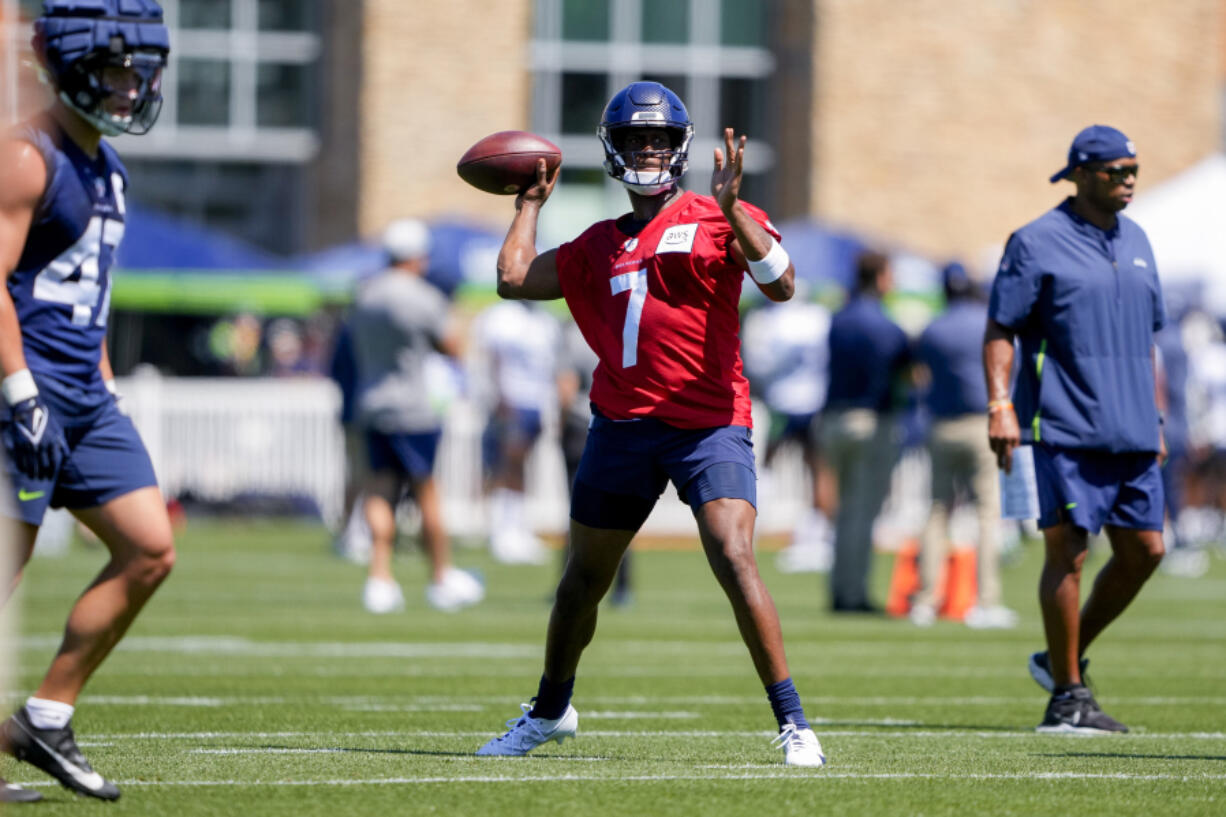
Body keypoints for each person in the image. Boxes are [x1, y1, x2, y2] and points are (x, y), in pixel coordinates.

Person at [474, 81, 824, 766]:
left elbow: (782, 283)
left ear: (680, 148)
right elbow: (513, 279)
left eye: (659, 140)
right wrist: (528, 207)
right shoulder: (594, 244)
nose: (648, 151)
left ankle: (794, 721)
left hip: (707, 423)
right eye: (636, 140)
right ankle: (549, 709)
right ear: (613, 149)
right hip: (623, 424)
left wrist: (733, 210)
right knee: (581, 580)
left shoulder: (719, 213)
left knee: (734, 552)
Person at [0, 0, 176, 801]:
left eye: (139, 72)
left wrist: (98, 381)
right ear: (70, 68)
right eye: (114, 71)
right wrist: (19, 390)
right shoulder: (27, 155)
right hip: (21, 389)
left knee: (149, 547)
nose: (130, 88)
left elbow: (87, 293)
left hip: (83, 395)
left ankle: (45, 712)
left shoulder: (108, 164)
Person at [985, 125, 1166, 734]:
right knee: (1071, 553)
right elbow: (1000, 330)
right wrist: (999, 404)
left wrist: (1158, 417)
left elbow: (1149, 342)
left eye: (1134, 169)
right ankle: (1067, 696)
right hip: (1063, 423)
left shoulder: (1139, 238)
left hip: (1135, 428)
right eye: (1117, 171)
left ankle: (1057, 654)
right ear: (1082, 175)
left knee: (1147, 551)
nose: (1130, 180)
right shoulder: (1035, 242)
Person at [348, 218, 484, 614]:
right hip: (413, 406)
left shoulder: (365, 293)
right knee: (427, 492)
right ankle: (440, 577)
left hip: (372, 402)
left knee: (380, 490)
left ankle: (379, 578)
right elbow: (452, 345)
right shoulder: (421, 296)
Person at [910, 262, 1016, 629]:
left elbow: (919, 373)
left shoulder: (932, 328)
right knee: (987, 513)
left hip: (941, 425)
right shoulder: (985, 323)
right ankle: (986, 602)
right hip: (981, 423)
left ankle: (926, 599)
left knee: (938, 510)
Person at [820, 250, 911, 613]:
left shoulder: (838, 319)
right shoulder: (888, 325)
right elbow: (906, 373)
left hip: (833, 419)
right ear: (880, 277)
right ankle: (853, 594)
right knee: (861, 513)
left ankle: (839, 588)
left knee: (842, 513)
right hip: (870, 420)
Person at [740, 287, 836, 573]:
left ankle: (750, 533)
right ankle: (815, 538)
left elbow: (759, 365)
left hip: (782, 400)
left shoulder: (772, 321)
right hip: (814, 400)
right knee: (819, 470)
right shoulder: (819, 318)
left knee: (767, 467)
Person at [469, 299, 562, 565]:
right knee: (504, 466)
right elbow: (491, 359)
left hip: (536, 402)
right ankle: (502, 530)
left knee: (521, 467)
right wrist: (499, 396)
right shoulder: (501, 316)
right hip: (510, 401)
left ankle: (518, 527)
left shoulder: (545, 319)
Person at [556, 318, 633, 605]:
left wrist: (560, 425)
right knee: (624, 512)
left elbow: (566, 387)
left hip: (582, 425)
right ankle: (623, 587)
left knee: (580, 513)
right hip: (621, 424)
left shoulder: (574, 332)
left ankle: (573, 585)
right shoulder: (620, 323)